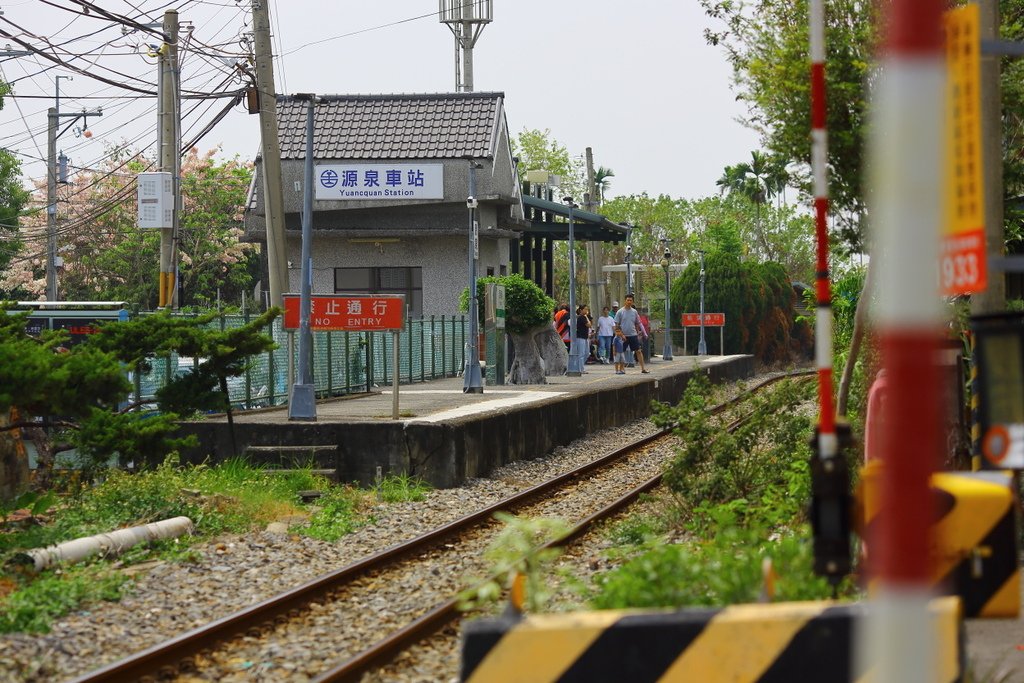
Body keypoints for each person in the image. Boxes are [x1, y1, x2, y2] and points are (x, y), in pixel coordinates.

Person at [614, 293, 649, 373]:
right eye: (628, 300)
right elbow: (616, 325)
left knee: (638, 351)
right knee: (621, 352)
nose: (629, 302)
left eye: (631, 300)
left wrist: (644, 333)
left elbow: (639, 323)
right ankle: (621, 369)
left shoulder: (634, 312)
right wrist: (621, 335)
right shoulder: (620, 312)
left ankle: (643, 368)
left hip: (633, 335)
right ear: (625, 301)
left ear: (632, 302)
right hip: (623, 335)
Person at [574, 304, 592, 371]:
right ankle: (580, 369)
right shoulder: (581, 317)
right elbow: (589, 325)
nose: (586, 311)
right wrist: (586, 316)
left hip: (585, 337)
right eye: (585, 309)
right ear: (581, 310)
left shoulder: (584, 317)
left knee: (587, 353)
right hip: (580, 337)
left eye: (587, 309)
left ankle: (580, 366)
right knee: (581, 353)